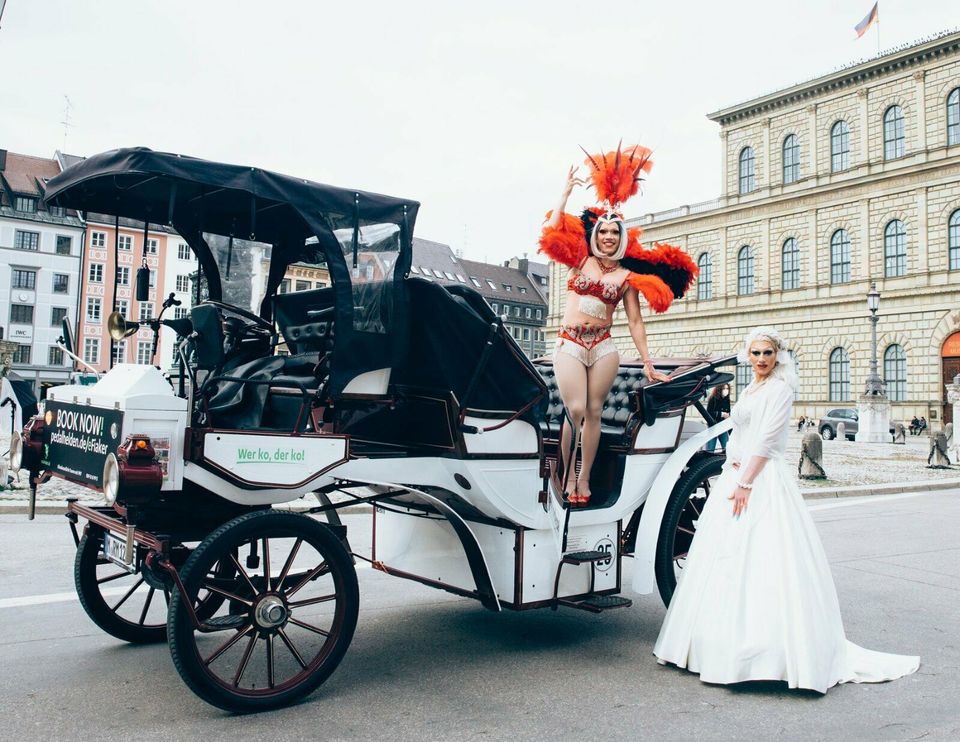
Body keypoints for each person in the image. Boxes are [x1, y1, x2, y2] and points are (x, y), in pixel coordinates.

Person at [654, 326, 919, 693]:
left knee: (766, 559)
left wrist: (746, 481)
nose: (762, 359)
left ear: (777, 355)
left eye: (768, 353)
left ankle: (768, 653)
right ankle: (713, 645)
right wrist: (732, 463)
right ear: (748, 355)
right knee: (724, 559)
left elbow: (767, 438)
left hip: (762, 478)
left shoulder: (780, 389)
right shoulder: (750, 388)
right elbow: (739, 431)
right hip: (739, 472)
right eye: (756, 353)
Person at [538, 144, 697, 506]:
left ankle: (583, 477)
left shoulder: (626, 276)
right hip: (570, 343)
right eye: (603, 231)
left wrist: (647, 363)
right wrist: (564, 193)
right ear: (595, 235)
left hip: (604, 346)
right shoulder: (579, 261)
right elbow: (550, 233)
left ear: (620, 237)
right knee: (575, 409)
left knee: (593, 411)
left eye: (614, 232)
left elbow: (636, 321)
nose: (608, 236)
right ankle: (563, 472)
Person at [705, 384, 731, 452]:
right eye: (724, 388)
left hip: (723, 426)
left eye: (727, 388)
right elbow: (708, 413)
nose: (726, 390)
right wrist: (722, 414)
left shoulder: (727, 399)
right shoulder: (713, 398)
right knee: (710, 449)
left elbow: (728, 413)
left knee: (727, 448)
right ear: (719, 389)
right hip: (713, 426)